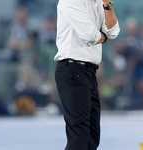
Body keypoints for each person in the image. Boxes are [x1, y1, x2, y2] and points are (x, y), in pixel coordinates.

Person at [54, 0, 120, 150]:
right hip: (72, 69)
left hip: (88, 72)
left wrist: (107, 4)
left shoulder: (99, 2)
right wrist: (104, 37)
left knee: (92, 135)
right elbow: (90, 35)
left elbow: (113, 32)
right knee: (79, 136)